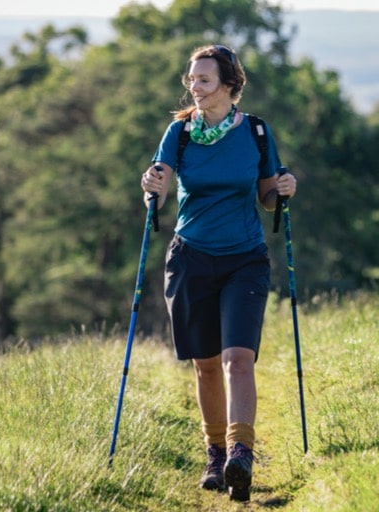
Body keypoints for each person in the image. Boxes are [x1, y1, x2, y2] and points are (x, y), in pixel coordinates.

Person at [139, 43, 297, 502]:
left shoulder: (257, 132)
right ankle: (213, 455)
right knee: (206, 365)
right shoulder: (180, 132)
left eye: (204, 79)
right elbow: (160, 183)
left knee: (237, 358)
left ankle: (240, 453)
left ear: (230, 86)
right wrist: (150, 188)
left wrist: (285, 187)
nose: (195, 86)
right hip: (191, 258)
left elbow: (269, 195)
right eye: (191, 78)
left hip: (245, 258)